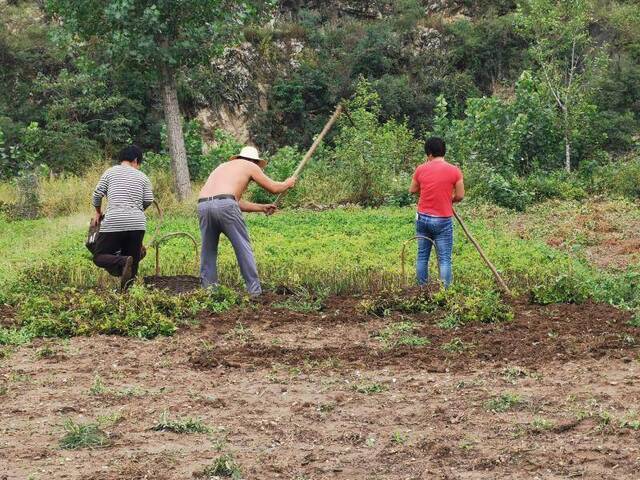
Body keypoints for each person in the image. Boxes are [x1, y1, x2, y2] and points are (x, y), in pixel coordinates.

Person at [198, 146, 296, 296]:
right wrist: (288, 183)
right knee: (243, 247)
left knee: (208, 251)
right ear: (254, 161)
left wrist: (261, 207)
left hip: (203, 205)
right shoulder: (250, 165)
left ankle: (209, 291)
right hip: (225, 205)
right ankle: (254, 292)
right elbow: (275, 188)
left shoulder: (222, 167)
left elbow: (228, 199)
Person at [91, 145, 154, 290]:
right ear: (136, 160)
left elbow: (97, 195)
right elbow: (149, 199)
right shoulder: (143, 177)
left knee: (99, 256)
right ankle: (127, 295)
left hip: (114, 220)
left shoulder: (110, 172)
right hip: (137, 224)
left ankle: (123, 261)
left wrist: (98, 212)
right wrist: (138, 209)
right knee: (134, 262)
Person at [409, 137, 464, 288]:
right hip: (442, 220)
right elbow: (460, 195)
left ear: (429, 153)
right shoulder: (454, 171)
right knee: (444, 258)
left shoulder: (421, 168)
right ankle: (445, 293)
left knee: (422, 256)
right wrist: (448, 198)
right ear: (443, 151)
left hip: (422, 218)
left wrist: (426, 190)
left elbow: (412, 189)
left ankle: (422, 291)